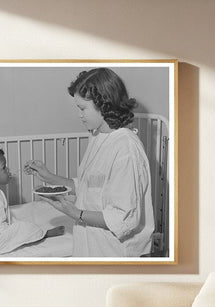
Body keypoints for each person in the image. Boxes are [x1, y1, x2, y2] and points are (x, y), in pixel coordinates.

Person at [24, 68, 154, 257]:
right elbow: (90, 187)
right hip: (92, 242)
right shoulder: (98, 136)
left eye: (82, 108)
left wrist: (76, 213)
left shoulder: (126, 149)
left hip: (117, 251)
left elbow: (125, 219)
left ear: (104, 104)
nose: (79, 115)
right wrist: (50, 177)